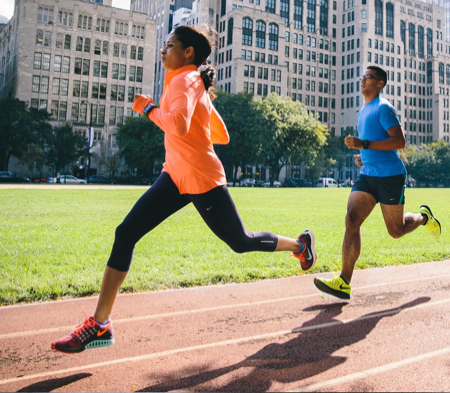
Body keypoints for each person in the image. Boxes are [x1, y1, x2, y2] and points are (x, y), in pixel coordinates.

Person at [52, 25, 316, 354]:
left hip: (202, 179)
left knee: (240, 241)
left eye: (170, 45)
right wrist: (199, 109)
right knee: (126, 232)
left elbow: (178, 124)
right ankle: (100, 324)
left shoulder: (185, 80)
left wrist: (148, 108)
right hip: (175, 175)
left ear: (188, 52)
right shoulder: (193, 84)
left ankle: (300, 245)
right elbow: (221, 135)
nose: (164, 51)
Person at [314, 66, 441, 300]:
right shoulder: (363, 111)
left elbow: (399, 141)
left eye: (368, 77)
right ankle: (344, 282)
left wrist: (364, 145)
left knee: (396, 230)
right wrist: (364, 157)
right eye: (362, 76)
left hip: (390, 176)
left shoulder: (384, 108)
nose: (362, 80)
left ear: (380, 83)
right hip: (368, 174)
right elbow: (372, 144)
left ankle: (424, 217)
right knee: (352, 220)